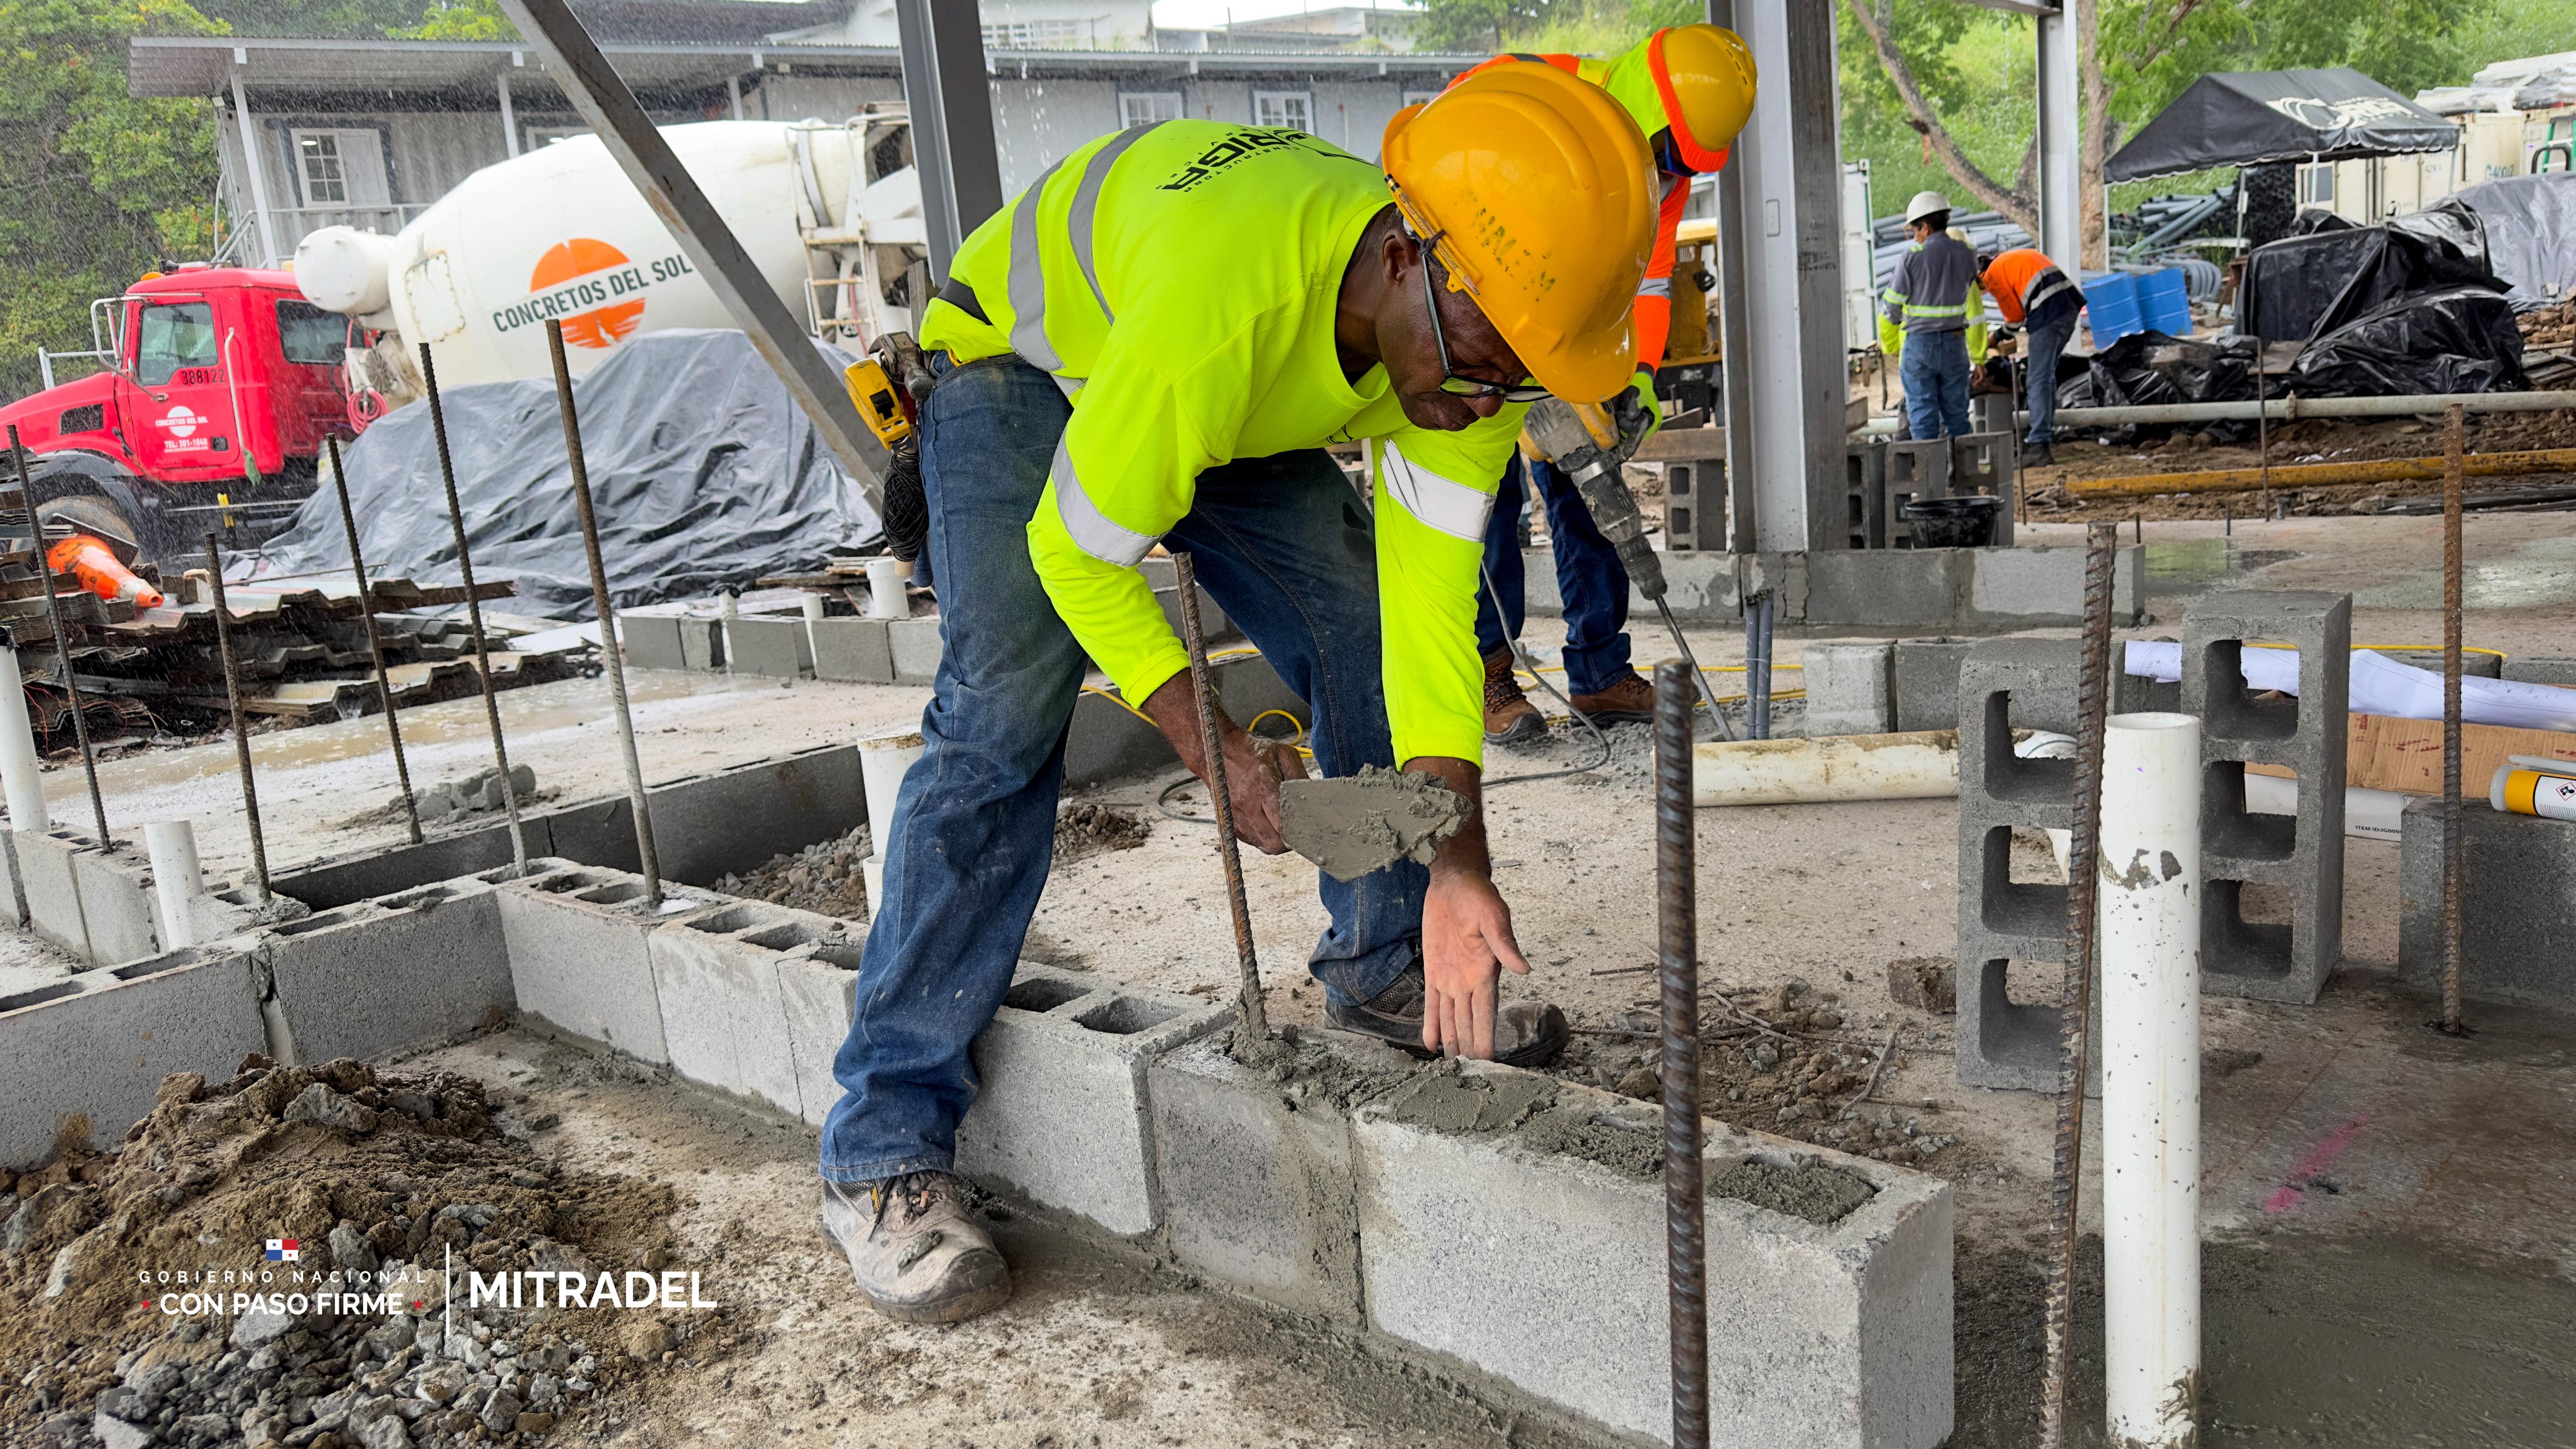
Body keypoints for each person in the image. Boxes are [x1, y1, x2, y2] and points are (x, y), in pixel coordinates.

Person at [817, 66, 1660, 1326]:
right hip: (1022, 361)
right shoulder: (1231, 304)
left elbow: (1427, 636)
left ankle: (1383, 962)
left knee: (1361, 625)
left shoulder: (1468, 361)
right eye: (1491, 356)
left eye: (1523, 375)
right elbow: (1076, 553)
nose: (1495, 397)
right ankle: (881, 1145)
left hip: (1228, 386)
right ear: (1403, 256)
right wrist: (1212, 747)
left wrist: (1457, 867)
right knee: (1006, 711)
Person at [1455, 26, 1758, 743]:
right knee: (1483, 505)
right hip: (1472, 319)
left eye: (1684, 161)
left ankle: (1598, 674)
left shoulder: (1663, 177)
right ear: (1644, 111)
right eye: (1669, 152)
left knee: (1592, 489)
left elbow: (1648, 282)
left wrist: (1639, 374)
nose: (1672, 170)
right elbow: (1456, 210)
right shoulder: (1531, 91)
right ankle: (1490, 677)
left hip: (1565, 337)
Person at [1882, 192, 1986, 441]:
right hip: (1954, 344)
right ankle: (1966, 479)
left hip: (1920, 347)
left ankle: (1932, 480)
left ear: (1925, 227)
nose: (1915, 237)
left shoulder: (1912, 257)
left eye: (1915, 231)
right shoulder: (1968, 253)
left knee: (1923, 419)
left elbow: (1892, 306)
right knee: (1957, 418)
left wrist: (1893, 333)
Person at [1975, 246, 2084, 467]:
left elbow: (2015, 319)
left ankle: (2039, 445)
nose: (1986, 293)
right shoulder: (2008, 260)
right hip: (2067, 309)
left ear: (1978, 277)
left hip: (2049, 314)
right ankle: (2043, 437)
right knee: (2046, 378)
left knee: (2037, 381)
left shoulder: (1993, 274)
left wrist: (1993, 339)